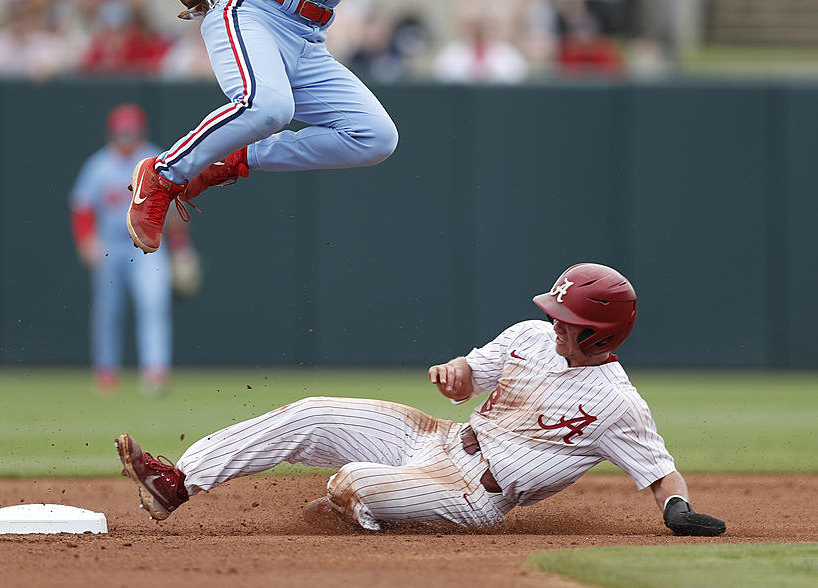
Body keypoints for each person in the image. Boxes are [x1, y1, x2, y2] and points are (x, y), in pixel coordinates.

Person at [114, 263, 726, 535]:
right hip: (432, 435)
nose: (555, 320)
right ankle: (179, 481)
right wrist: (456, 372)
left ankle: (349, 512)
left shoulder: (618, 404)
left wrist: (676, 511)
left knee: (351, 482)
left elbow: (659, 469)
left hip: (473, 494)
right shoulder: (533, 337)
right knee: (311, 412)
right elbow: (474, 369)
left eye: (568, 317)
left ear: (603, 333)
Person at [124, 0, 399, 254]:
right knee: (268, 108)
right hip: (255, 12)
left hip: (309, 35)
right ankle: (163, 174)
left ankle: (231, 159)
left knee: (376, 136)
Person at [70, 104, 200, 394]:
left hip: (149, 248)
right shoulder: (99, 165)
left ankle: (155, 372)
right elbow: (82, 207)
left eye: (131, 133)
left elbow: (174, 209)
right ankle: (106, 372)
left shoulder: (158, 160)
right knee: (108, 311)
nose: (126, 138)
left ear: (141, 132)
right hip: (110, 246)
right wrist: (86, 240)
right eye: (122, 133)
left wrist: (181, 248)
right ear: (112, 133)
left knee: (153, 306)